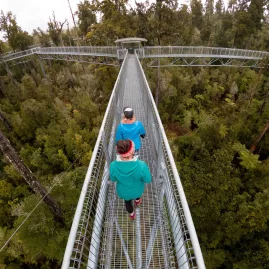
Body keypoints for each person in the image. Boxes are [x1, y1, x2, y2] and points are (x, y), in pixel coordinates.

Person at [110, 139, 152, 220]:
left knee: (127, 202)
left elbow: (113, 179)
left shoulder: (113, 165)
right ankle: (137, 200)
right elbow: (148, 180)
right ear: (132, 151)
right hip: (137, 190)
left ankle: (132, 214)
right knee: (137, 196)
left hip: (124, 192)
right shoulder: (141, 165)